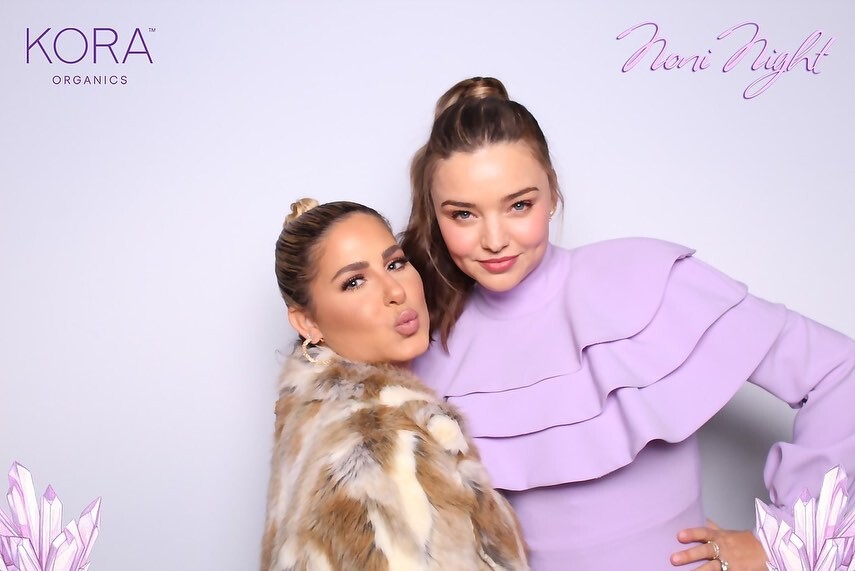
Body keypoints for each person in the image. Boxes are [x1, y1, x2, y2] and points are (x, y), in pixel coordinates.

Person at [401, 76, 855, 570]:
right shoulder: (425, 350)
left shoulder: (646, 282)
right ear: (436, 216)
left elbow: (839, 371)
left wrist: (787, 541)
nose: (494, 239)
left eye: (519, 205)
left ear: (552, 193)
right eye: (463, 215)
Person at [262, 198, 529, 571]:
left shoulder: (314, 420)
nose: (395, 292)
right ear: (308, 323)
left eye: (395, 264)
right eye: (354, 282)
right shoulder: (378, 441)